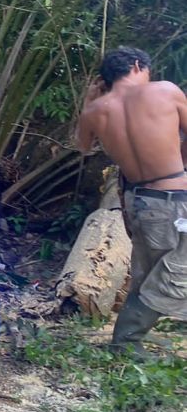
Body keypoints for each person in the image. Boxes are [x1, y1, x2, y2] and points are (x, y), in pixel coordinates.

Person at [76, 46, 187, 357]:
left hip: (136, 202)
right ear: (139, 66)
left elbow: (83, 147)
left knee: (150, 272)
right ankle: (126, 340)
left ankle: (129, 339)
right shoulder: (165, 91)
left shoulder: (96, 111)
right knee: (174, 274)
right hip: (173, 200)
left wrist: (89, 102)